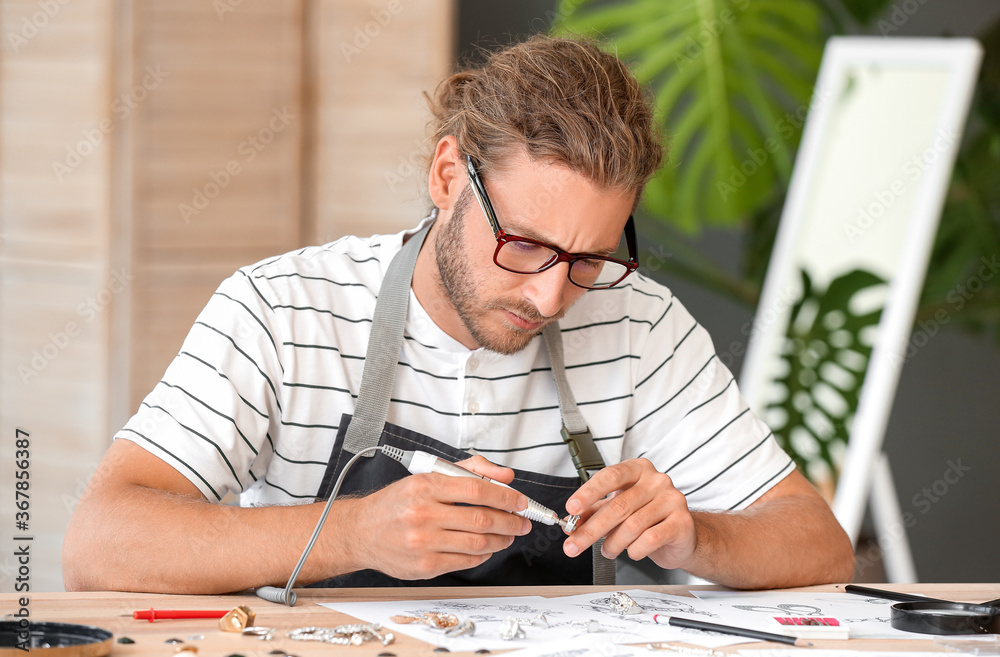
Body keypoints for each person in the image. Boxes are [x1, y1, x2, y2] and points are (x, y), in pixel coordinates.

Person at [63, 35, 854, 594]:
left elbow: (818, 544)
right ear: (448, 175)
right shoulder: (281, 309)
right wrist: (352, 534)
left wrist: (697, 538)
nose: (550, 297)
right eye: (525, 245)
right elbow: (99, 541)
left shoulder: (638, 324)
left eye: (588, 258)